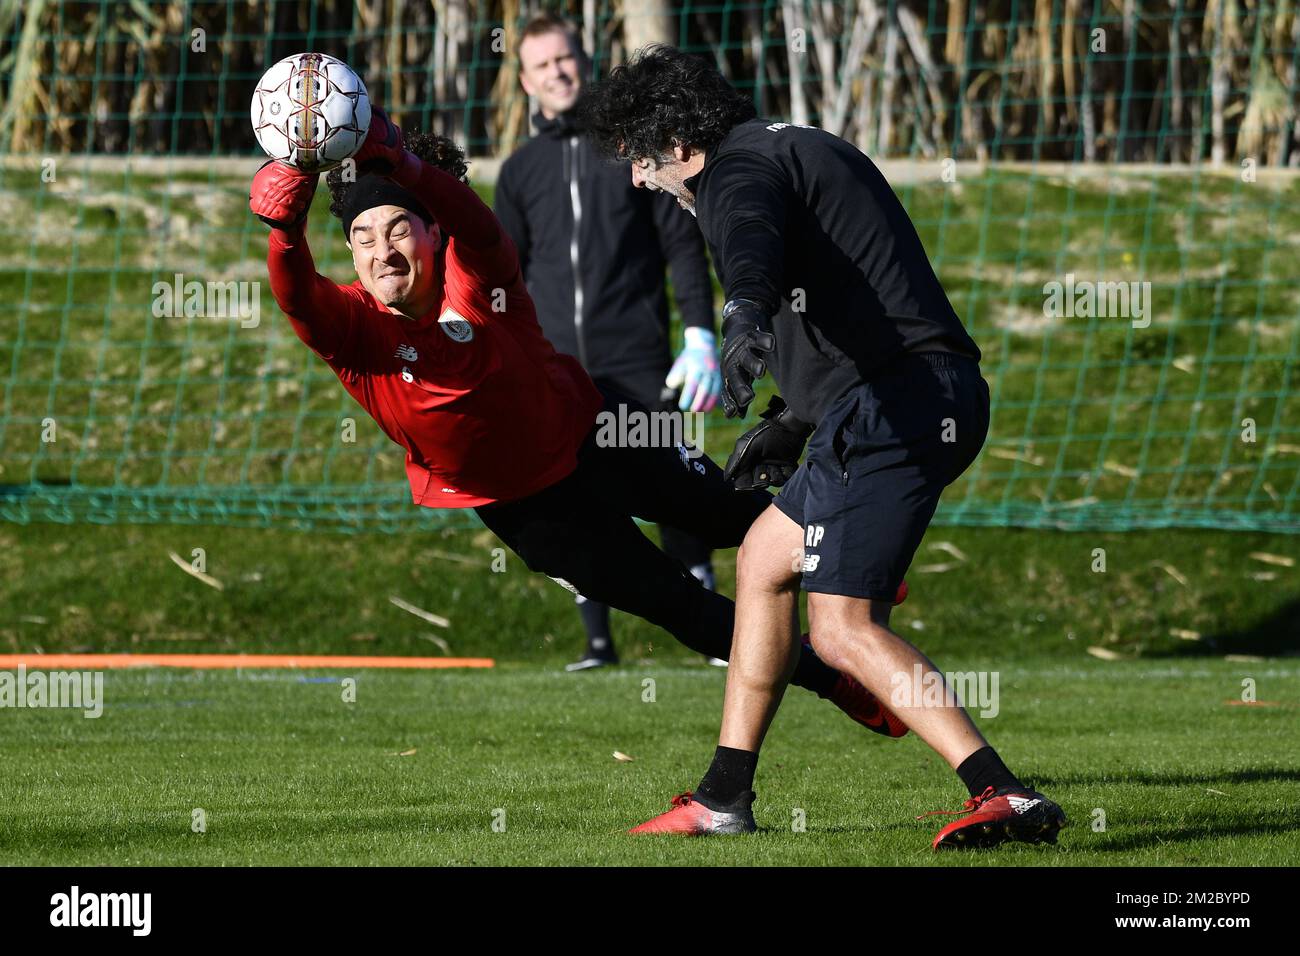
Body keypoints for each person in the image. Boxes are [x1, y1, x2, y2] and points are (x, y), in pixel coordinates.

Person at [247, 105, 910, 737]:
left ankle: (858, 561)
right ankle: (836, 682)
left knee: (731, 514)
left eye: (398, 230)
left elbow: (478, 228)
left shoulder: (477, 279)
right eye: (362, 238)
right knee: (678, 605)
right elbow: (299, 298)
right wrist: (284, 233)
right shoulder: (353, 331)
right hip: (523, 504)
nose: (381, 252)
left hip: (597, 431)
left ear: (433, 234)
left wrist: (410, 171)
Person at [577, 46, 1067, 849]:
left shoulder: (736, 174)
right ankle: (722, 796)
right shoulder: (794, 145)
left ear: (680, 142)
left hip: (893, 405)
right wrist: (796, 419)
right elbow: (860, 301)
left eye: (640, 157)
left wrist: (742, 317)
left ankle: (1003, 794)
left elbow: (752, 246)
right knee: (764, 559)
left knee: (839, 629)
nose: (638, 179)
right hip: (898, 395)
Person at [495, 14, 723, 671]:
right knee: (576, 498)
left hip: (637, 356)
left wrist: (701, 332)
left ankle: (715, 622)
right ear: (525, 79)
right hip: (557, 366)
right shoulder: (519, 172)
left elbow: (681, 241)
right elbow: (504, 271)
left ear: (584, 60)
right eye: (541, 65)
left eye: (564, 59)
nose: (556, 73)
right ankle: (599, 642)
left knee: (672, 481)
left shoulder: (627, 148)